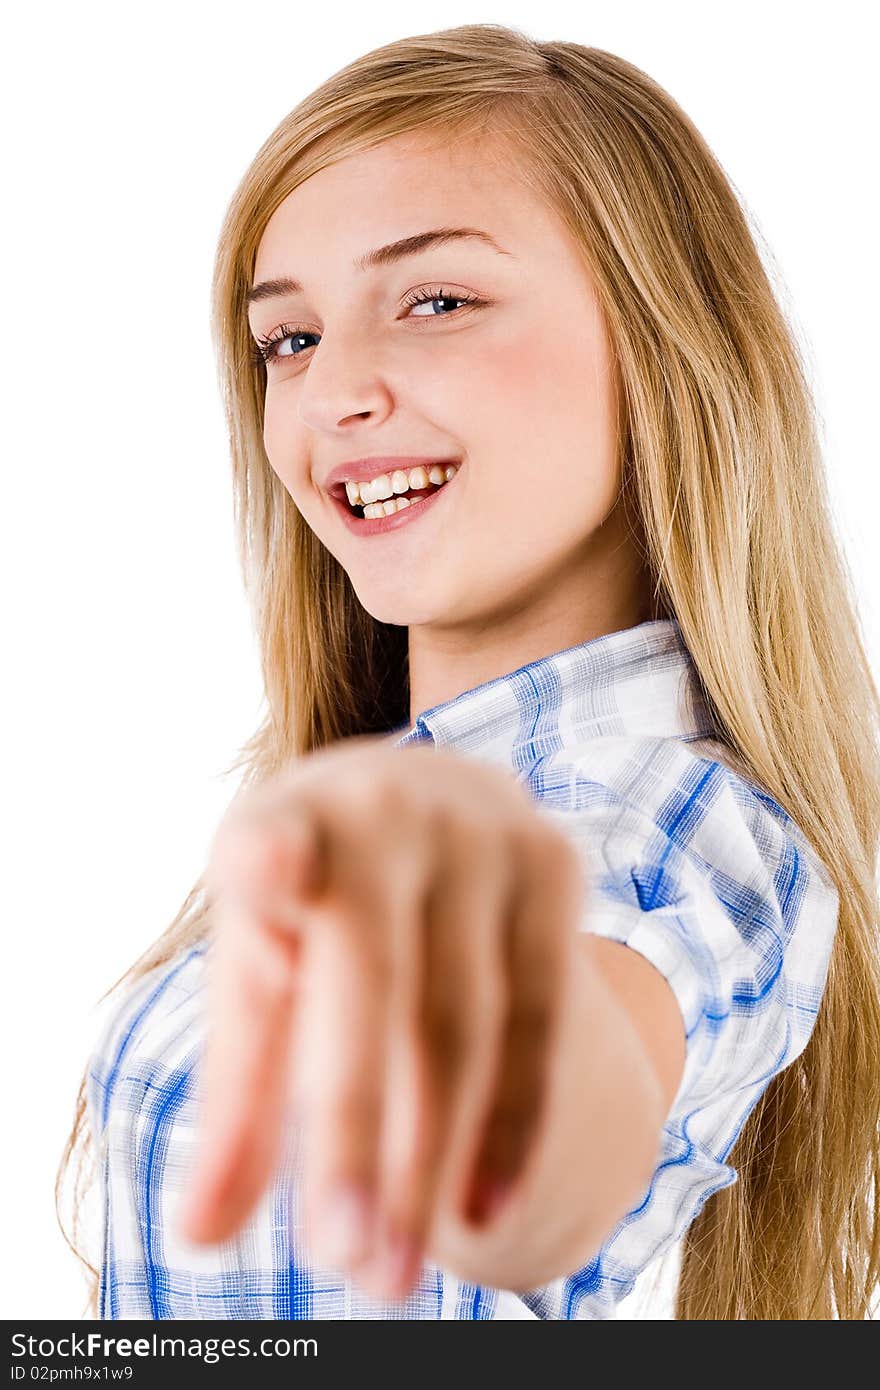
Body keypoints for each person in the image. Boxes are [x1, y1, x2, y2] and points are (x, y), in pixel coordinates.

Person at [57, 23, 880, 1321]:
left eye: (436, 299)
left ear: (666, 338)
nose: (335, 395)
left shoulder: (680, 820)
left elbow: (555, 1131)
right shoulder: (355, 804)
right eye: (290, 339)